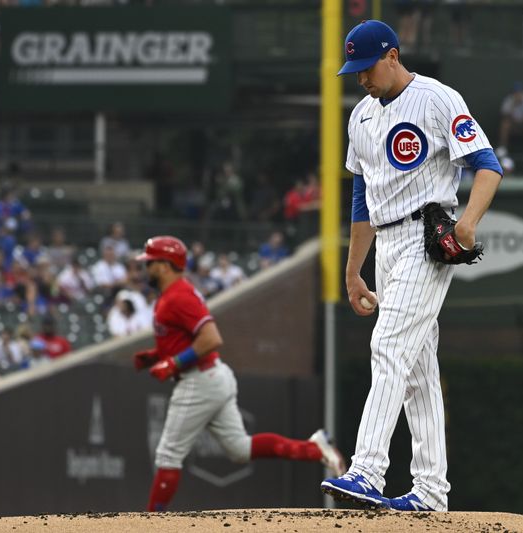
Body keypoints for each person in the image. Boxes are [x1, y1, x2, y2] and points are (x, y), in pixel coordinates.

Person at [325, 20, 502, 512]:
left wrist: (467, 223)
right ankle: (429, 491)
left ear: (393, 56)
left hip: (428, 237)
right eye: (354, 70)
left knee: (387, 347)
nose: (361, 78)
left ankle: (366, 469)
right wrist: (353, 269)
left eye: (366, 67)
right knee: (418, 371)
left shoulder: (437, 98)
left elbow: (487, 165)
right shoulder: (359, 117)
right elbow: (361, 198)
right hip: (385, 243)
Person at [133, 236, 345, 512]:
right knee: (240, 449)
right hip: (212, 376)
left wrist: (173, 363)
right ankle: (314, 449)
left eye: (149, 262)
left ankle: (149, 523)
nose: (145, 268)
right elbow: (184, 339)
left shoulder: (179, 296)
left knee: (168, 454)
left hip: (199, 380)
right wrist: (156, 356)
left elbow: (211, 338)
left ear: (164, 264)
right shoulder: (173, 294)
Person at [497, 82, 523, 158]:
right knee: (505, 123)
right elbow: (505, 114)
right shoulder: (509, 100)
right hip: (513, 125)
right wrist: (514, 104)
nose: (518, 94)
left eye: (520, 92)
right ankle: (503, 147)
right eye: (517, 92)